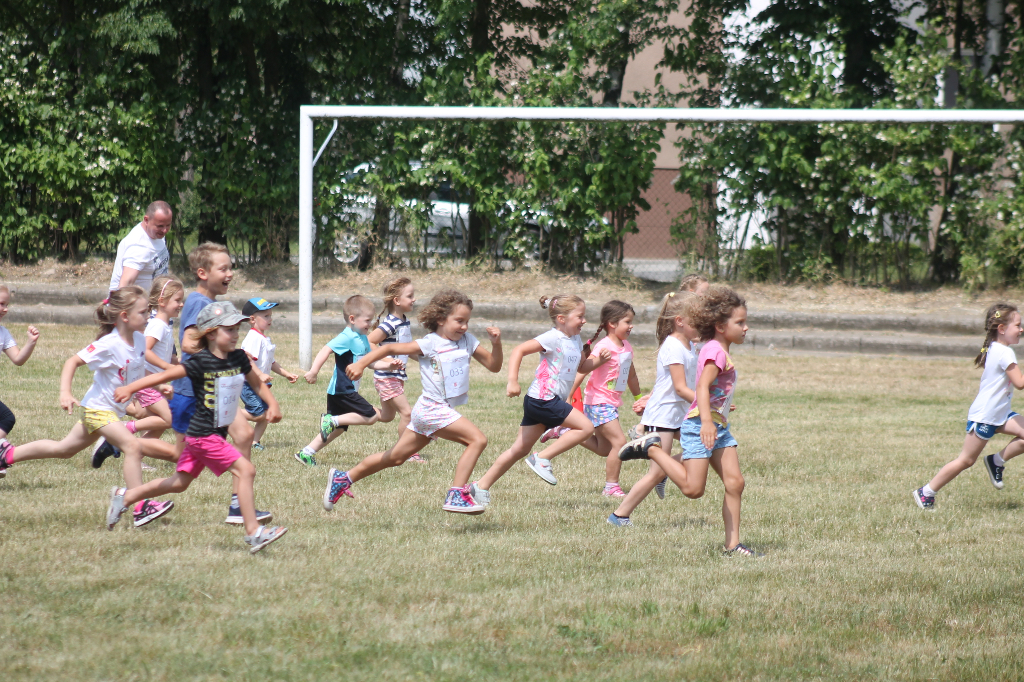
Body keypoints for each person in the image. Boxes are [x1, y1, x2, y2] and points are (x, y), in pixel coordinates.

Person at [106, 301, 288, 553]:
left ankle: (124, 497)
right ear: (211, 333)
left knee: (180, 483)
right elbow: (162, 376)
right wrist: (129, 388)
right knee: (245, 470)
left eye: (237, 329)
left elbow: (256, 383)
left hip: (203, 436)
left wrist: (272, 404)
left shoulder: (238, 358)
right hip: (203, 435)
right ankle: (253, 532)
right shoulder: (200, 362)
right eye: (230, 330)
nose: (236, 335)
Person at [0, 287, 179, 527]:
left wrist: (158, 386)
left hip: (109, 411)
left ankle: (8, 455)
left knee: (64, 449)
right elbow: (72, 361)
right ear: (124, 316)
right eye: (144, 311)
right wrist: (65, 393)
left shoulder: (137, 339)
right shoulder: (109, 343)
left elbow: (137, 368)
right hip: (97, 410)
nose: (148, 316)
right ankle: (139, 505)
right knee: (132, 446)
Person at [325, 290, 502, 514]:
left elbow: (494, 366)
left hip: (428, 412)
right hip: (432, 410)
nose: (464, 327)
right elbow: (388, 348)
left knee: (395, 458)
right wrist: (360, 365)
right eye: (459, 321)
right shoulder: (430, 343)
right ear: (440, 319)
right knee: (477, 440)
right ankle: (457, 494)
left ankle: (344, 478)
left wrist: (496, 344)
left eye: (467, 321)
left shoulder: (468, 341)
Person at [618, 285, 758, 557]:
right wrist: (706, 421)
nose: (746, 328)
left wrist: (720, 410)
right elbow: (701, 388)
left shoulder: (717, 349)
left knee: (735, 483)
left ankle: (733, 546)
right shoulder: (715, 351)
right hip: (700, 426)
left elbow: (711, 391)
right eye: (739, 322)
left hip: (718, 426)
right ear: (720, 325)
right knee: (693, 490)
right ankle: (651, 448)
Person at [468, 295, 608, 508]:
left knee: (518, 450)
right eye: (580, 316)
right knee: (586, 427)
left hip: (540, 401)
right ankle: (542, 457)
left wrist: (600, 361)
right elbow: (519, 350)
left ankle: (480, 487)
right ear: (561, 318)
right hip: (544, 399)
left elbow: (581, 367)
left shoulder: (575, 340)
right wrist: (512, 381)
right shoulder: (552, 338)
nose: (584, 320)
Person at [170, 243, 269, 525]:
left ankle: (239, 504)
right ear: (203, 273)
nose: (230, 273)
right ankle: (126, 443)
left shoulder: (209, 302)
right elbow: (189, 342)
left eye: (230, 267)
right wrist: (218, 357)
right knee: (180, 461)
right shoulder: (198, 303)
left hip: (217, 390)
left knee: (245, 435)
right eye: (223, 268)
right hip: (196, 394)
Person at [913, 303, 1024, 508]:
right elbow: (1020, 383)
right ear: (1001, 329)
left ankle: (996, 461)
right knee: (966, 460)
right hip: (986, 415)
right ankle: (925, 492)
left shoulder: (995, 347)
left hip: (1000, 412)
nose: (1021, 329)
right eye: (1018, 325)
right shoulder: (1005, 353)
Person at [607, 291, 699, 526]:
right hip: (665, 415)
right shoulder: (674, 347)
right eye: (699, 319)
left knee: (703, 447)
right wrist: (707, 402)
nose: (704, 324)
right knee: (657, 472)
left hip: (679, 413)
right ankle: (619, 515)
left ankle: (665, 469)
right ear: (680, 321)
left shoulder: (689, 345)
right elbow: (679, 388)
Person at [92, 275, 184, 465]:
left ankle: (136, 454)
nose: (181, 304)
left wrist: (180, 364)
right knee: (170, 418)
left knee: (158, 421)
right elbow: (146, 350)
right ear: (162, 301)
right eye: (177, 300)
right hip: (148, 381)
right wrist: (166, 367)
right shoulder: (157, 325)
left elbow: (169, 355)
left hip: (154, 381)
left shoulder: (165, 326)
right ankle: (124, 429)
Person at [294, 295, 389, 466]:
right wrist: (314, 371)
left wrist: (390, 366)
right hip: (343, 389)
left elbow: (369, 363)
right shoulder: (347, 336)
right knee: (372, 416)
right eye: (367, 320)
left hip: (342, 390)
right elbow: (326, 349)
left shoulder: (362, 339)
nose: (370, 324)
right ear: (352, 319)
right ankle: (331, 420)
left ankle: (306, 452)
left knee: (337, 430)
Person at [566, 300, 642, 497]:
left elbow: (631, 375)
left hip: (610, 403)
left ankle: (567, 432)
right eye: (627, 321)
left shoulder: (626, 347)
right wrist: (567, 397)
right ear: (612, 323)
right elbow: (582, 372)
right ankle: (611, 487)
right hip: (599, 402)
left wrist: (639, 398)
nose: (631, 326)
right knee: (619, 443)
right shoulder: (604, 347)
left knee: (603, 448)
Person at [367, 277, 424, 462]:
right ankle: (406, 452)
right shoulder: (390, 323)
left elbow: (405, 348)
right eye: (410, 296)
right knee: (407, 413)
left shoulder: (404, 322)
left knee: (386, 416)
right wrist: (387, 358)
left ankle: (346, 414)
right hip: (386, 376)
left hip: (396, 377)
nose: (414, 299)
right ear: (397, 301)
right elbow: (370, 341)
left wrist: (424, 359)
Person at [240, 297, 298, 451]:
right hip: (248, 383)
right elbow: (247, 360)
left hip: (260, 384)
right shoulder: (253, 338)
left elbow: (271, 362)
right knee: (259, 414)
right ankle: (226, 412)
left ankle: (254, 442)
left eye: (270, 315)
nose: (270, 319)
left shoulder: (264, 338)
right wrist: (260, 374)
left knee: (266, 415)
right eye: (266, 316)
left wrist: (286, 374)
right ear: (252, 319)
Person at [0, 284, 40, 452]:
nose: (5, 309)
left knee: (7, 419)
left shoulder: (3, 333)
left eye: (7, 304)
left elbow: (18, 359)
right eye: (1, 304)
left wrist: (31, 342)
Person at [109, 201, 172, 292]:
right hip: (131, 305)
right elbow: (125, 285)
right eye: (160, 226)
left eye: (168, 225)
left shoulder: (155, 233)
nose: (165, 230)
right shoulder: (139, 247)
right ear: (146, 220)